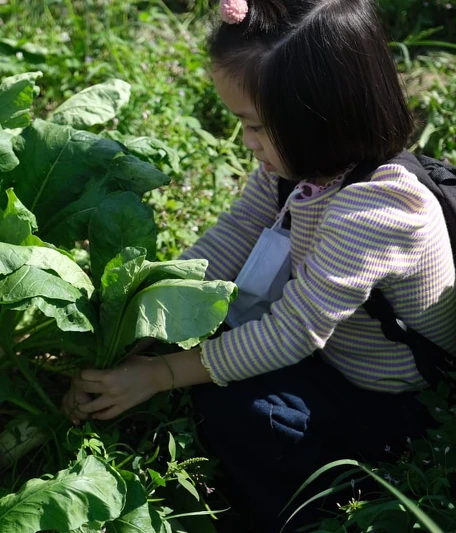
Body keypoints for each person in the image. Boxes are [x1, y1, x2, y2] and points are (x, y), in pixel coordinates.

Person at [61, 0, 456, 530]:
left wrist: (158, 374)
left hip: (392, 395)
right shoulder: (301, 162)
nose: (248, 143)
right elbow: (235, 235)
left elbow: (293, 333)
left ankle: (311, 510)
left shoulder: (377, 210)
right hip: (330, 346)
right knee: (217, 349)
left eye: (256, 127)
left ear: (323, 114)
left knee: (247, 411)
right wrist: (143, 321)